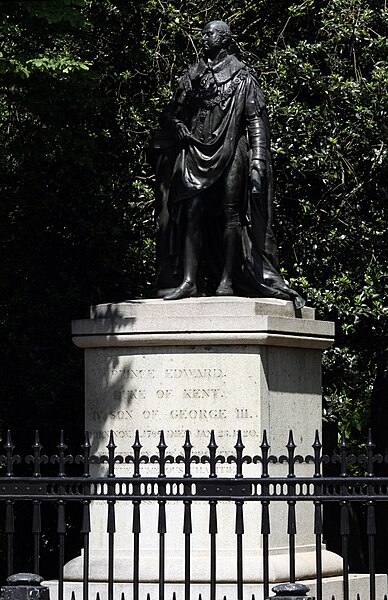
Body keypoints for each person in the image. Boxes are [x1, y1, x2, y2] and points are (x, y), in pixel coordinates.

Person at [154, 20, 305, 309]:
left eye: (209, 33)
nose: (204, 38)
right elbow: (169, 113)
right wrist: (177, 127)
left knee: (231, 213)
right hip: (195, 151)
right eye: (203, 34)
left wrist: (258, 158)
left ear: (224, 39)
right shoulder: (192, 76)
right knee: (191, 211)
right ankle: (188, 281)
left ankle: (226, 280)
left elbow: (255, 121)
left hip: (231, 150)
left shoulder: (242, 76)